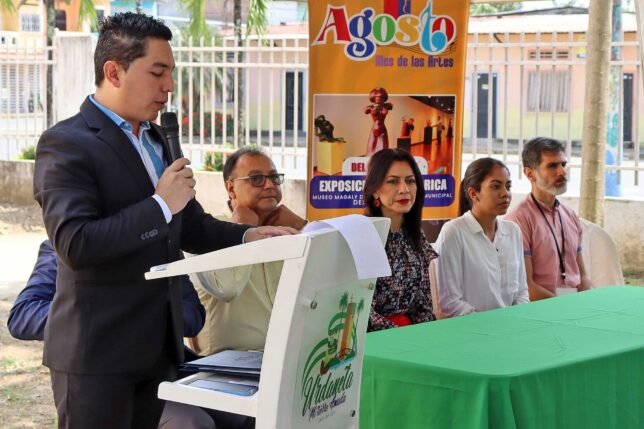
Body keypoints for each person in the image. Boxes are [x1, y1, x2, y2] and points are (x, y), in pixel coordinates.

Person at [32, 13, 295, 429]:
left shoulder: (157, 138)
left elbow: (190, 226)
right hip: (97, 355)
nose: (169, 86)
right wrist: (158, 205)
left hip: (158, 349)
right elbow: (76, 244)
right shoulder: (66, 143)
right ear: (113, 72)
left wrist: (249, 235)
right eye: (157, 73)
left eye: (171, 72)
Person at [7, 240, 219, 429]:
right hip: (95, 379)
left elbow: (193, 315)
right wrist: (98, 316)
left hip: (165, 374)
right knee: (192, 424)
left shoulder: (163, 245)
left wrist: (146, 315)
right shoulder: (64, 246)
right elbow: (22, 315)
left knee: (237, 415)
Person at [189, 147, 307, 356]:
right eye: (256, 179)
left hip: (284, 357)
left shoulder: (288, 230)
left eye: (274, 177)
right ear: (231, 188)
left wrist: (304, 226)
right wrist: (241, 231)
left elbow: (325, 277)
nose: (269, 185)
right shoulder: (205, 233)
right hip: (224, 366)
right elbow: (227, 288)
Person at [434, 158, 529, 318]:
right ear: (473, 193)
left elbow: (522, 292)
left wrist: (516, 320)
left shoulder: (513, 231)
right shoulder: (454, 232)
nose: (505, 193)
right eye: (495, 186)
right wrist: (490, 325)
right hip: (471, 328)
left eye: (508, 186)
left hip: (512, 325)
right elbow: (450, 303)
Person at [505, 137, 592, 300]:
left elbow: (584, 277)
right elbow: (526, 286)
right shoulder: (518, 220)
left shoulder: (570, 215)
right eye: (552, 166)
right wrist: (564, 307)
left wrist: (583, 303)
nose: (562, 172)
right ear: (530, 173)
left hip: (574, 305)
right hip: (542, 309)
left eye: (563, 164)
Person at [362, 148, 438, 331]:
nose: (404, 189)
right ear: (375, 190)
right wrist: (399, 335)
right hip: (373, 339)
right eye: (393, 181)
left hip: (411, 336)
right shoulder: (362, 236)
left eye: (410, 181)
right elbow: (360, 308)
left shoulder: (415, 234)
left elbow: (423, 303)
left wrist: (423, 334)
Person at [365, 87, 393, 155]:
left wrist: (384, 106)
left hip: (382, 129)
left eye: (381, 97)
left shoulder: (385, 106)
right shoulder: (371, 107)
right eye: (376, 97)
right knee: (370, 149)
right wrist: (372, 108)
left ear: (383, 98)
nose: (378, 98)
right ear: (373, 97)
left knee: (383, 149)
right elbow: (365, 111)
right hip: (374, 129)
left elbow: (391, 106)